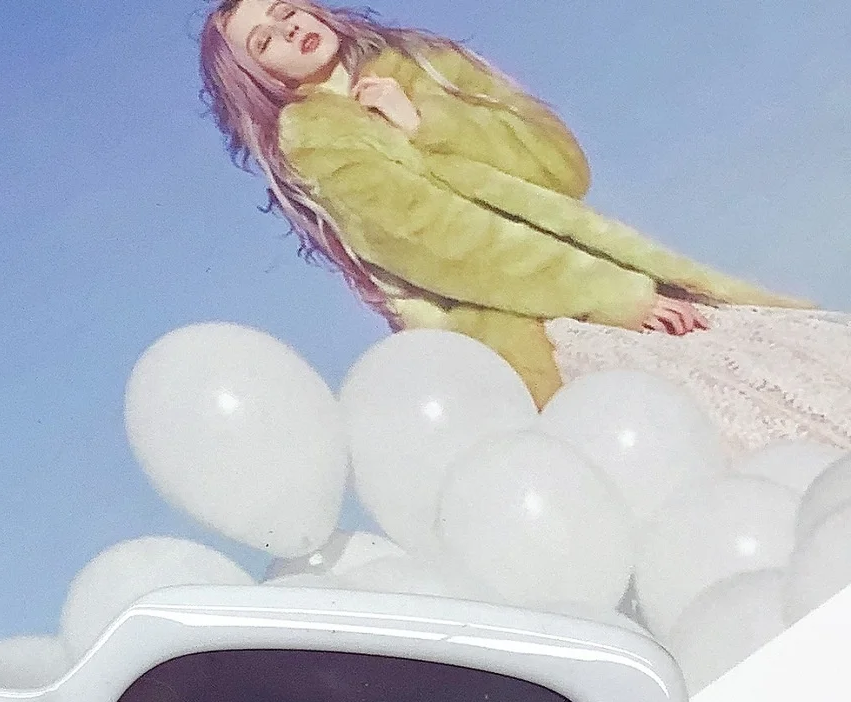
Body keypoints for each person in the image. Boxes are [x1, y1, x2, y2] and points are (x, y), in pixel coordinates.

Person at [199, 0, 851, 447]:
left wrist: (426, 123)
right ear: (259, 76)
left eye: (285, 9)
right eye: (265, 40)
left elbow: (562, 167)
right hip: (527, 328)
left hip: (621, 275)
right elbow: (438, 243)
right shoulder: (313, 136)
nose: (288, 29)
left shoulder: (424, 61)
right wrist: (606, 295)